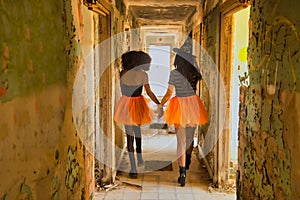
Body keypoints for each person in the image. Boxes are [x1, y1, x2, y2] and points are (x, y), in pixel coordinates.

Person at [158, 47, 208, 186]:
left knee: (180, 141)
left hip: (178, 105)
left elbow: (169, 93)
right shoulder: (195, 72)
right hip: (193, 104)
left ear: (177, 60)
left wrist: (161, 105)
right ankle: (188, 160)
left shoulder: (174, 73)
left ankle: (182, 173)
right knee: (190, 138)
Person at [114, 50, 160, 179]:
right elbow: (149, 92)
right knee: (137, 131)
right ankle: (139, 158)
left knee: (129, 136)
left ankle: (133, 168)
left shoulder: (122, 73)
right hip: (139, 103)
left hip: (126, 104)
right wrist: (159, 103)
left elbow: (123, 91)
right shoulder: (143, 75)